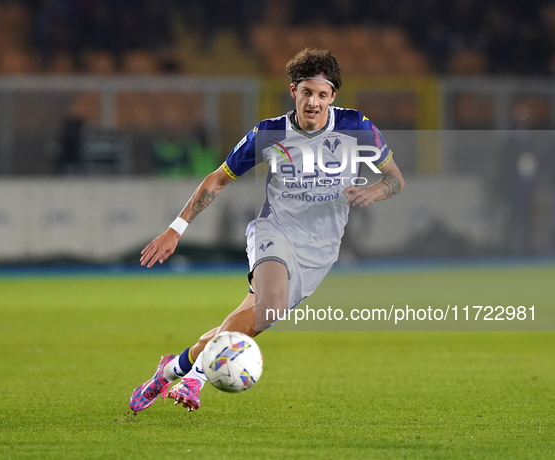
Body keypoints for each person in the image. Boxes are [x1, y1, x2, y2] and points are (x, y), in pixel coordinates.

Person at [130, 48, 405, 412]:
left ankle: (168, 372)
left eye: (322, 95)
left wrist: (375, 190)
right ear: (294, 91)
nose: (313, 102)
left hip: (320, 251)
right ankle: (195, 380)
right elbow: (218, 178)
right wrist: (176, 228)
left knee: (252, 321)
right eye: (307, 92)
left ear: (333, 96)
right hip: (275, 231)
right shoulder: (270, 133)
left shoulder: (357, 127)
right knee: (270, 305)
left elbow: (395, 179)